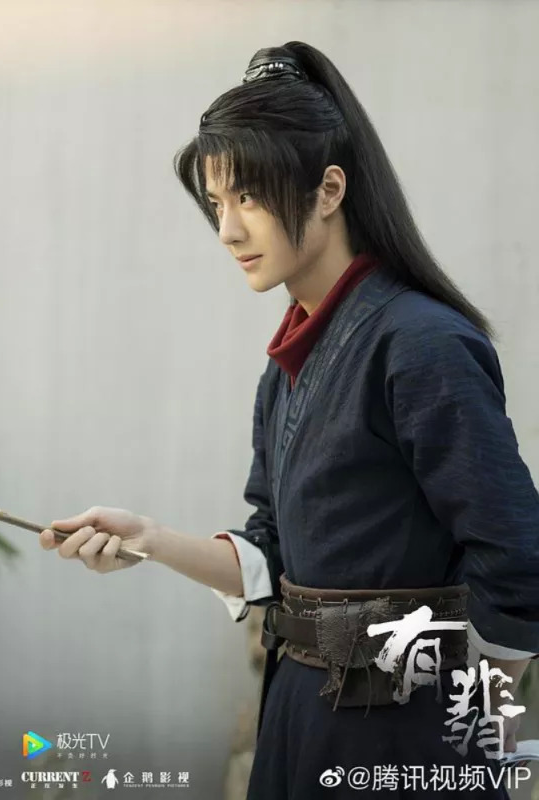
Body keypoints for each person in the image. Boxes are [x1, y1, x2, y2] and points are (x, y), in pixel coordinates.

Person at [40, 42, 539, 799]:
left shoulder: (421, 344)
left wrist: (477, 735)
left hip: (402, 737)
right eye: (217, 204)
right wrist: (149, 540)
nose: (228, 230)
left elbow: (517, 561)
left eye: (248, 197)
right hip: (300, 714)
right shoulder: (286, 368)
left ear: (329, 189)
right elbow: (273, 553)